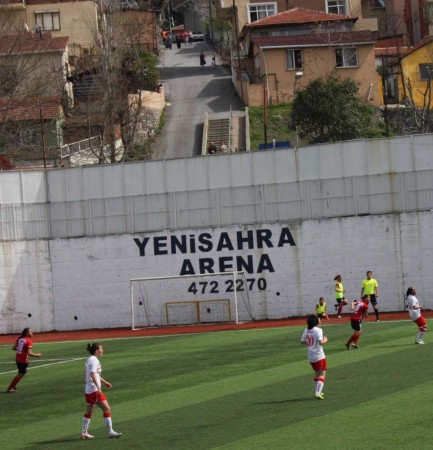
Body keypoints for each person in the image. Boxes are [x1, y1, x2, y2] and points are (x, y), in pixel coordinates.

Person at [81, 343, 122, 439]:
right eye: (101, 349)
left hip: (89, 388)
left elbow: (95, 374)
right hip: (94, 389)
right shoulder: (94, 360)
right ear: (96, 351)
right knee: (106, 408)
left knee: (90, 410)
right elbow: (92, 374)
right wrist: (98, 387)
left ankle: (84, 432)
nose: (102, 350)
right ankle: (110, 431)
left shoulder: (90, 359)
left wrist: (104, 382)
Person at [6, 327, 42, 393]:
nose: (32, 332)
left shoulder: (20, 339)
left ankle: (13, 386)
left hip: (18, 359)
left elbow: (13, 348)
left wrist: (21, 349)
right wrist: (37, 355)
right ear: (26, 333)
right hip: (23, 360)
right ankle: (10, 387)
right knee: (21, 374)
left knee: (22, 372)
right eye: (30, 331)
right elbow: (29, 353)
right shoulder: (28, 341)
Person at [301, 315, 328, 400]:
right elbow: (321, 342)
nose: (320, 320)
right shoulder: (318, 330)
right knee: (322, 374)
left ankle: (318, 390)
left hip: (311, 355)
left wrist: (310, 343)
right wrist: (326, 340)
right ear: (316, 321)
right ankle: (317, 392)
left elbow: (302, 341)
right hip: (318, 355)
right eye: (318, 319)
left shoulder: (306, 330)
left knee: (319, 372)